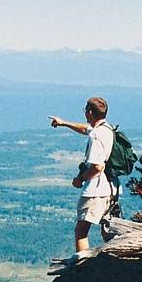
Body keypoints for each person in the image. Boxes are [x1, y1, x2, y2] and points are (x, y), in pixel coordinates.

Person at [49, 97, 115, 252]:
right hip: (110, 188)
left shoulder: (96, 136)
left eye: (85, 110)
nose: (85, 113)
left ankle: (82, 265)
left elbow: (97, 166)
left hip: (95, 191)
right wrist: (64, 123)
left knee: (81, 232)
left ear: (90, 112)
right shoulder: (107, 129)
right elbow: (85, 129)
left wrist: (80, 179)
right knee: (106, 229)